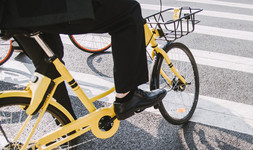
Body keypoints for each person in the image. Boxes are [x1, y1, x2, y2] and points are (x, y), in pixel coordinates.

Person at [0, 0, 167, 120]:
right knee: (128, 12)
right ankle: (127, 97)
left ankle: (65, 122)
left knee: (50, 60)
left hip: (11, 14)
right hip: (45, 6)